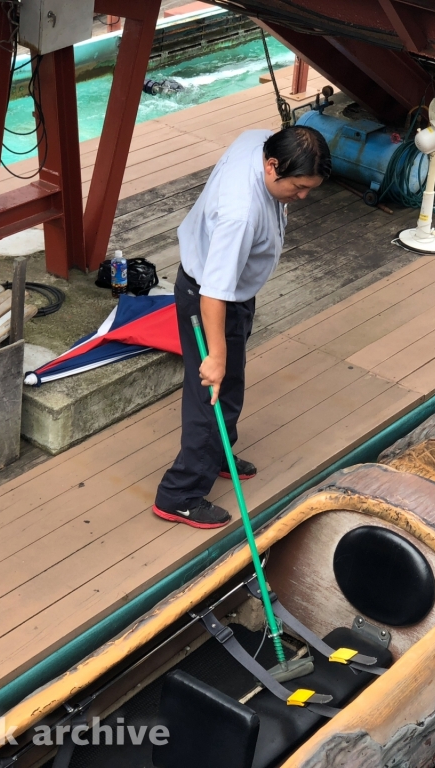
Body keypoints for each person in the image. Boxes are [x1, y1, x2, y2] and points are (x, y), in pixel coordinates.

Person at [153, 125, 332, 528]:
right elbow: (213, 293)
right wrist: (215, 356)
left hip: (231, 291)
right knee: (212, 395)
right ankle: (179, 494)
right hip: (211, 299)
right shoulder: (240, 213)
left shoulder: (260, 140)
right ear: (272, 166)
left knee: (231, 384)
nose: (302, 197)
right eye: (299, 187)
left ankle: (216, 452)